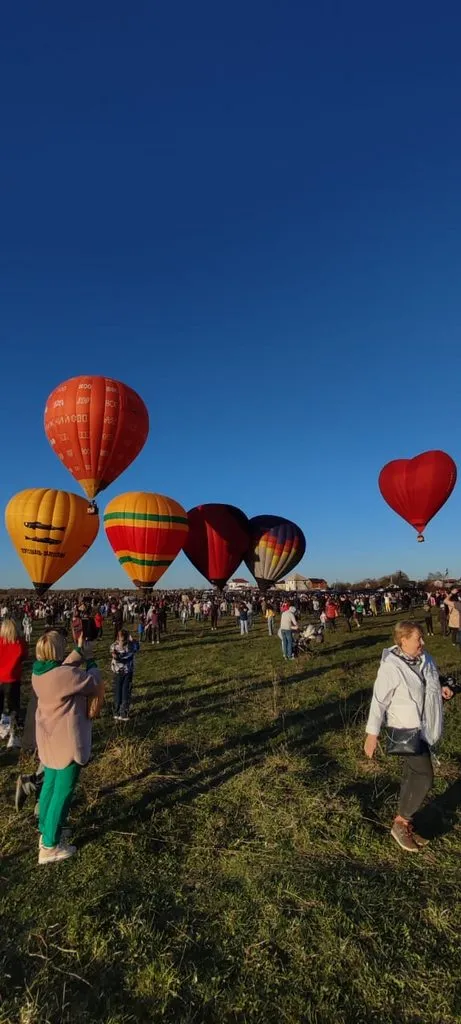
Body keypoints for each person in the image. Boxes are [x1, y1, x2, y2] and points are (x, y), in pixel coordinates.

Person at [364, 621, 454, 853]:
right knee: (425, 775)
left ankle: (404, 821)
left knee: (411, 775)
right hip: (405, 728)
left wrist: (442, 686)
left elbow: (431, 680)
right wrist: (372, 734)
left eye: (422, 638)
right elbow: (379, 700)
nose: (422, 643)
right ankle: (402, 822)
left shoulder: (426, 658)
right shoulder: (391, 667)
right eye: (418, 639)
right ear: (402, 641)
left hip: (426, 726)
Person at [32, 630, 102, 864]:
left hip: (49, 740)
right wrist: (91, 660)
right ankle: (50, 846)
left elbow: (64, 670)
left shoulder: (39, 672)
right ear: (56, 651)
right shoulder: (63, 676)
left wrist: (79, 650)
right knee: (64, 792)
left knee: (50, 785)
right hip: (67, 742)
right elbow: (92, 681)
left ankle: (46, 829)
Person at [0, 619, 28, 746]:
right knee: (13, 707)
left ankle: (2, 729)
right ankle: (13, 735)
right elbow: (25, 655)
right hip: (13, 679)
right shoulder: (19, 643)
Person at [111, 629, 139, 721]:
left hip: (124, 672)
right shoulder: (118, 647)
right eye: (120, 640)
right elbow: (136, 647)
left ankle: (121, 712)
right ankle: (119, 712)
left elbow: (136, 648)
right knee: (120, 692)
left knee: (124, 692)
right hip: (121, 672)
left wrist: (132, 641)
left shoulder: (118, 647)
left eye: (123, 640)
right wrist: (133, 641)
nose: (121, 642)